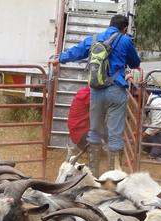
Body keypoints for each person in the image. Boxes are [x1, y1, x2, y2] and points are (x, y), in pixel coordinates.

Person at [50, 14, 141, 174]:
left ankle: (93, 173)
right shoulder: (125, 40)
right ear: (124, 28)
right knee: (115, 133)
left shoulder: (94, 39)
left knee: (95, 131)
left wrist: (59, 59)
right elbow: (135, 63)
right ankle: (113, 176)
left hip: (96, 91)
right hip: (116, 91)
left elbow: (77, 52)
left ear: (109, 24)